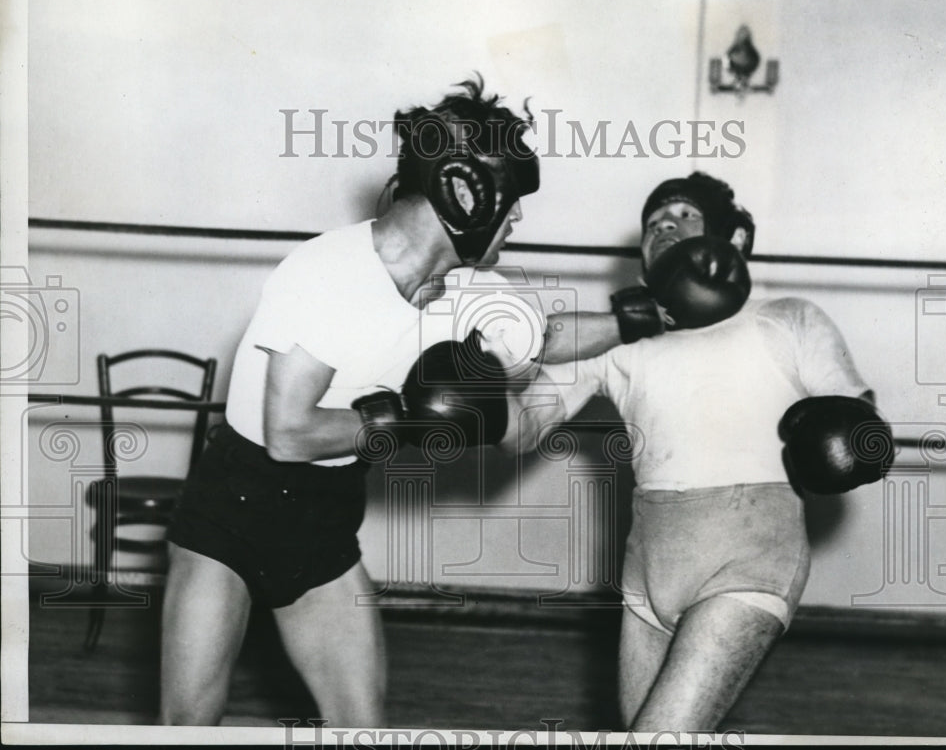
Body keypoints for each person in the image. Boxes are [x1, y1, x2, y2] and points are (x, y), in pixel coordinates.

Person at [159, 74, 541, 726]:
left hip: (324, 517)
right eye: (512, 201)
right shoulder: (328, 272)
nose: (519, 219)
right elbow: (288, 433)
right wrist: (412, 419)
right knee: (186, 729)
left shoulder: (470, 292)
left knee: (361, 728)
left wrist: (641, 320)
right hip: (235, 507)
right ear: (466, 191)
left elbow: (532, 383)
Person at [499, 172, 895, 731]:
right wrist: (466, 399)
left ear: (733, 240)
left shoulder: (787, 318)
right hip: (648, 567)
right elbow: (521, 426)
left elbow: (863, 425)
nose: (665, 226)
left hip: (749, 559)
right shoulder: (611, 340)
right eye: (653, 222)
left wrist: (851, 437)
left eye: (685, 215)